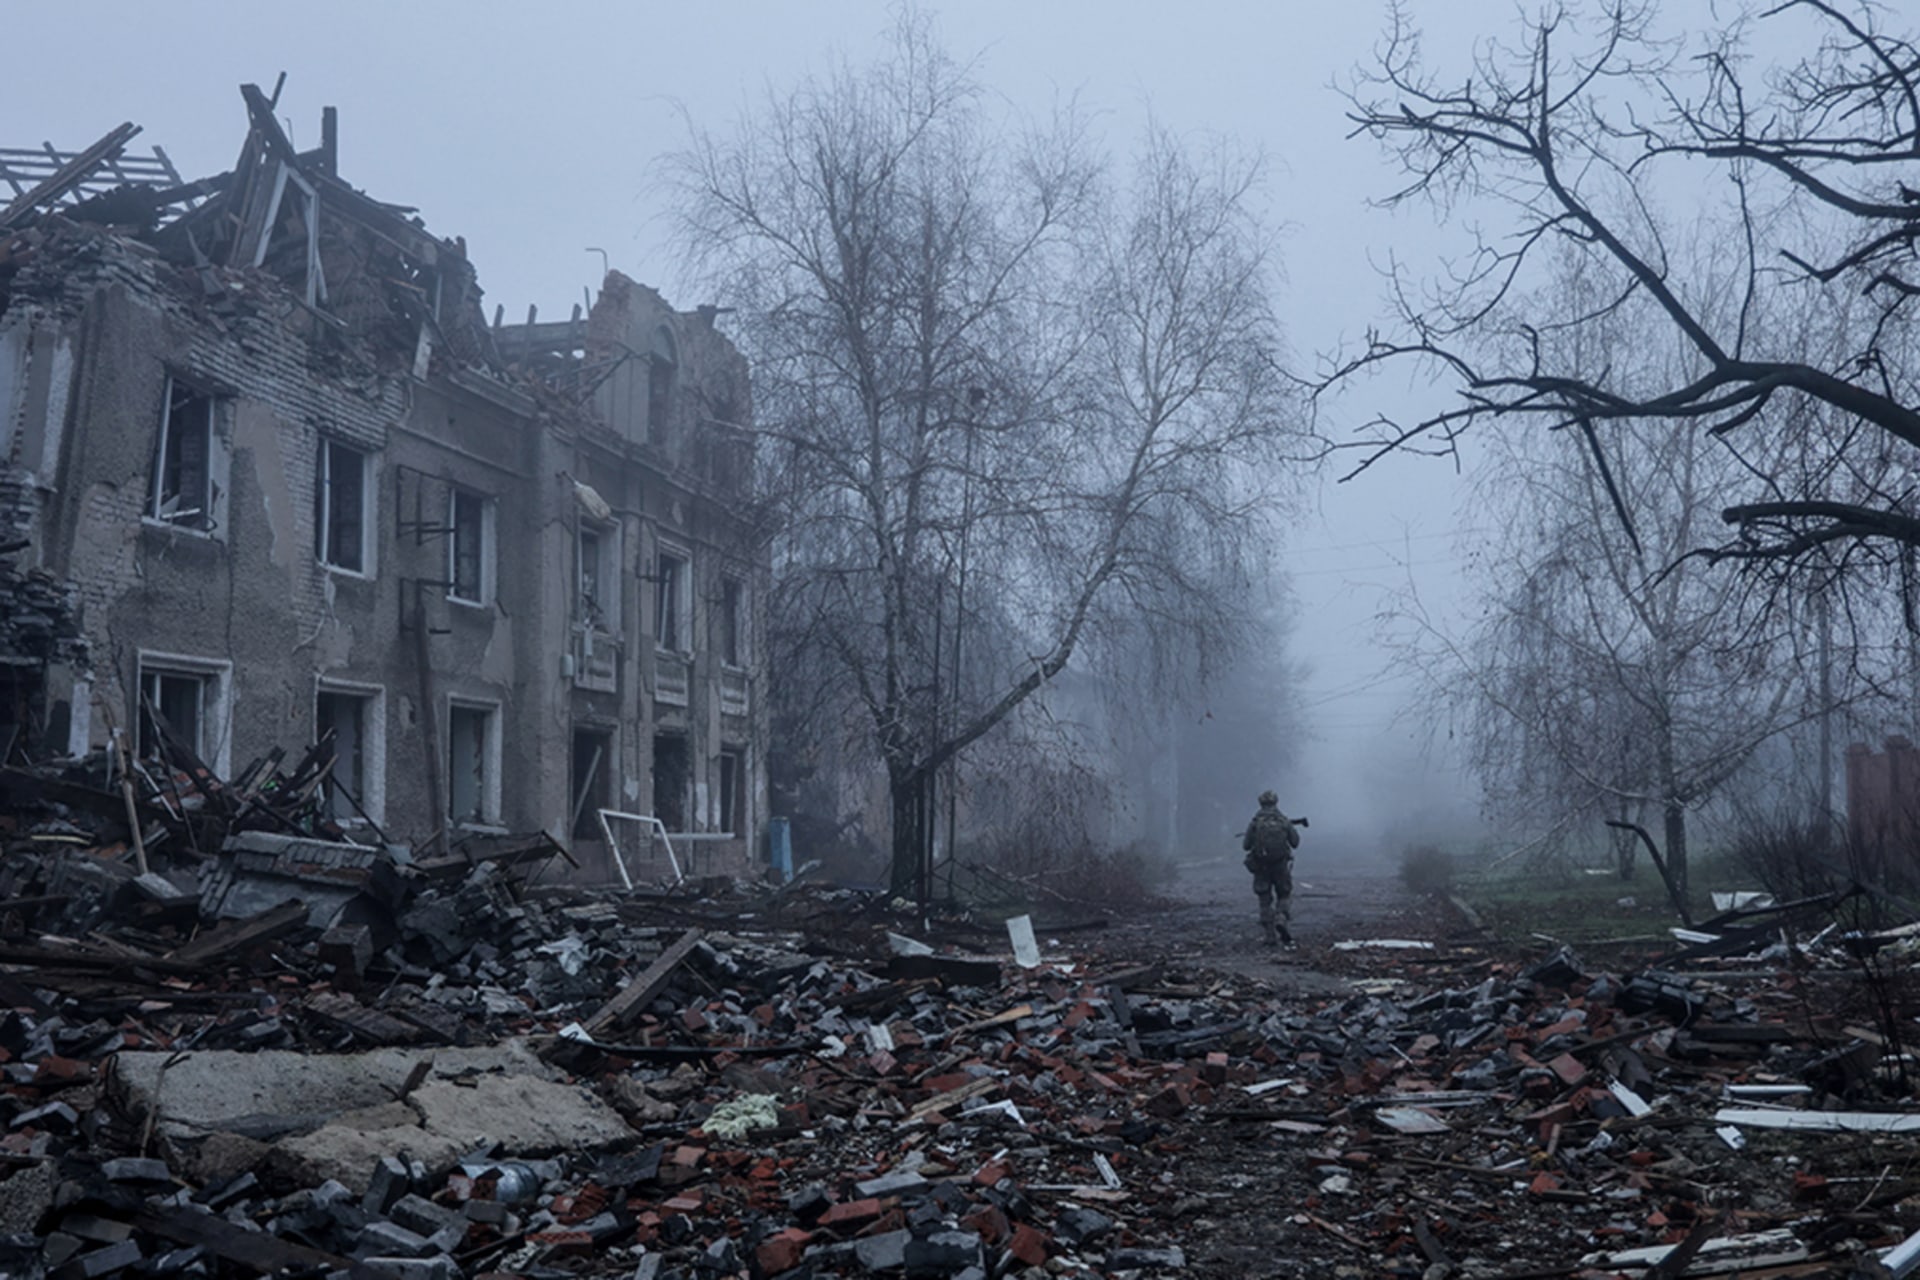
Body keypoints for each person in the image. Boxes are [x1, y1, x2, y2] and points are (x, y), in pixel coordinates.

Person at [1242, 790, 1300, 948]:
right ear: (1276, 803)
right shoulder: (1284, 821)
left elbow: (1245, 846)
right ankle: (1281, 918)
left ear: (1260, 804)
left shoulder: (1255, 823)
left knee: (1264, 900)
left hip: (1261, 866)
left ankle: (1269, 936)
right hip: (1281, 865)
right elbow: (1295, 842)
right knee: (1284, 894)